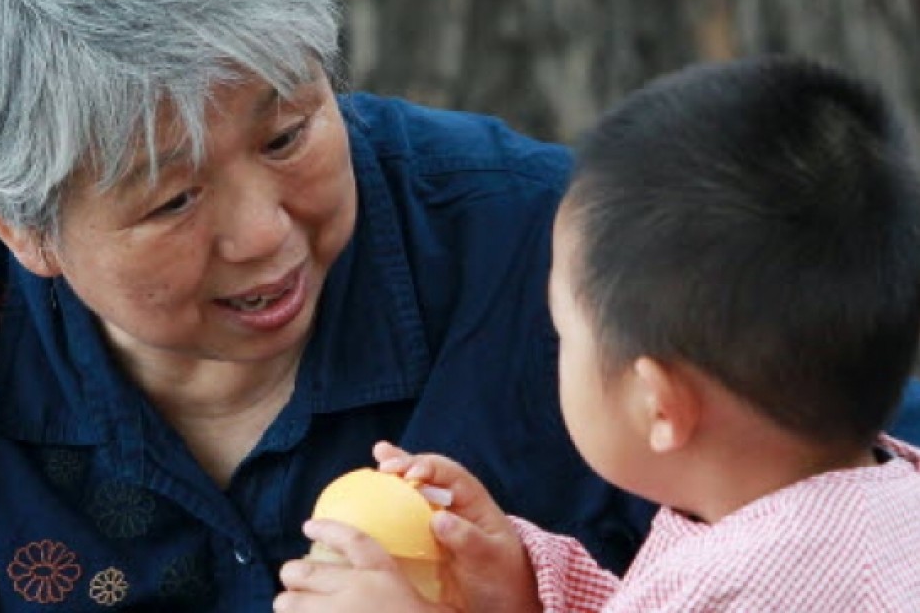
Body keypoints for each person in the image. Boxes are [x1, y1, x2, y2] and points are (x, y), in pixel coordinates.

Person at [0, 0, 661, 610]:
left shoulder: (556, 251)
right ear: (24, 231)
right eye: (175, 199)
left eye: (285, 137)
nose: (264, 234)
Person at [275, 57, 920, 612]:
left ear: (658, 403)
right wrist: (525, 585)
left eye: (564, 333)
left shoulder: (744, 588)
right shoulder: (876, 506)